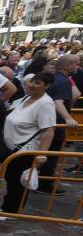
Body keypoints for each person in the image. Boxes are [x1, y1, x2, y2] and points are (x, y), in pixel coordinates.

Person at [0, 72, 58, 217]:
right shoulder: (27, 98)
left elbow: (49, 130)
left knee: (17, 182)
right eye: (32, 81)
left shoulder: (45, 103)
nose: (32, 85)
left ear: (47, 86)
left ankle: (11, 210)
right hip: (12, 147)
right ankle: (7, 205)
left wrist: (42, 154)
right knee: (11, 178)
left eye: (38, 83)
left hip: (25, 150)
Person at [38, 54, 80, 194]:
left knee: (46, 153)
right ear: (67, 66)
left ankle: (40, 182)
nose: (78, 67)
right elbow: (58, 102)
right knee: (51, 155)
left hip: (47, 121)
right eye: (76, 64)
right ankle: (45, 185)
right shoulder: (63, 82)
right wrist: (68, 118)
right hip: (55, 123)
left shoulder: (54, 78)